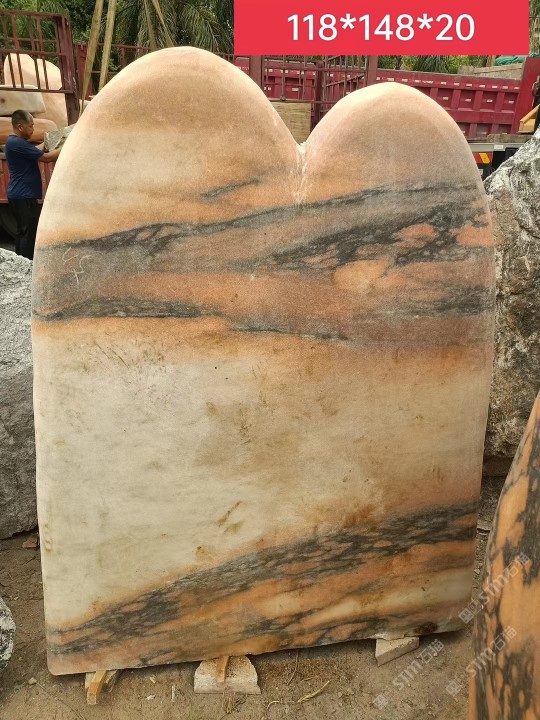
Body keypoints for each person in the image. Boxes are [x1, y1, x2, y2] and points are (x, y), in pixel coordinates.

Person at [5, 109, 62, 259]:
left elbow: (34, 150)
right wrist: (68, 145)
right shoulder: (18, 143)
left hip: (19, 195)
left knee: (22, 232)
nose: (33, 129)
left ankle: (20, 263)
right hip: (24, 195)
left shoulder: (15, 142)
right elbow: (46, 158)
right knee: (28, 234)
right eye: (30, 126)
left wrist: (47, 141)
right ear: (20, 127)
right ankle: (27, 263)